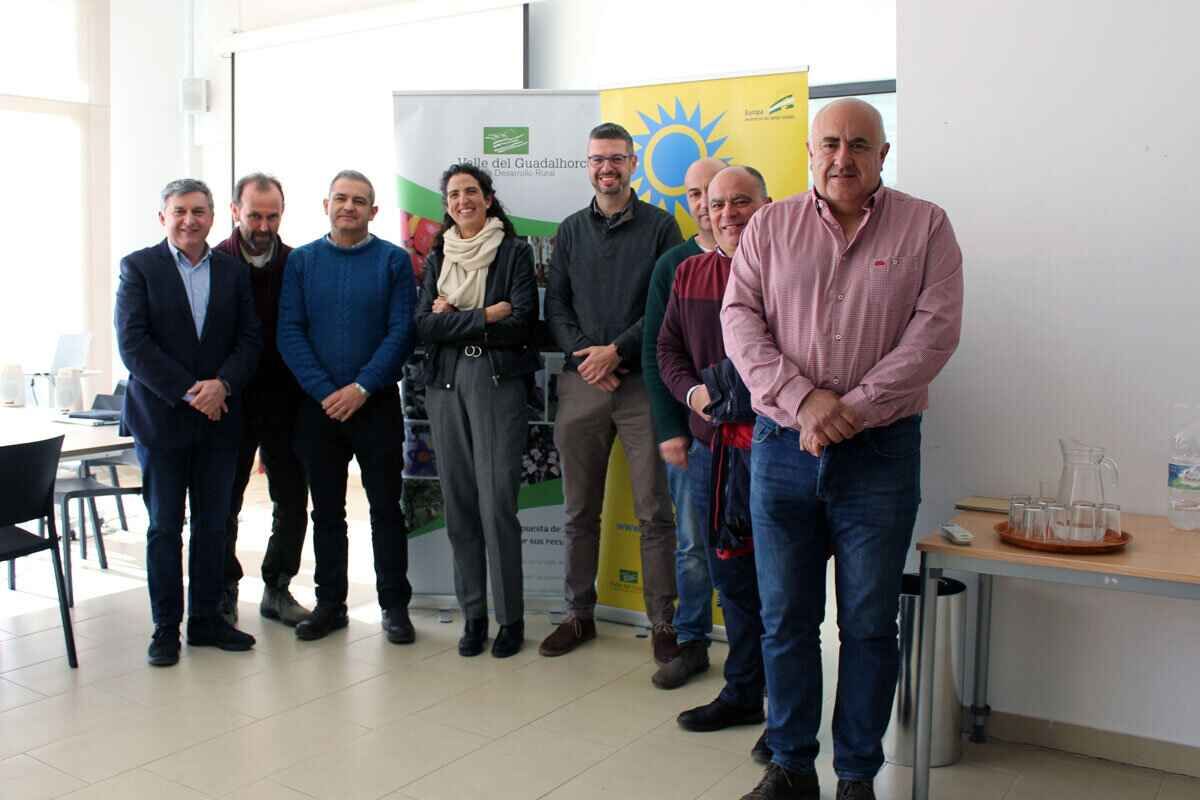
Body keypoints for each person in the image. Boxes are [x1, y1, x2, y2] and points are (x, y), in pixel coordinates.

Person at [721, 99, 964, 800]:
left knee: (866, 622)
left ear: (883, 154)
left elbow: (934, 333)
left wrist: (849, 409)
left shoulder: (927, 226)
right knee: (787, 618)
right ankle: (793, 765)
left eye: (860, 144)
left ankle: (856, 774)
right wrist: (805, 401)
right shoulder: (770, 225)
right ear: (809, 149)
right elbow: (741, 323)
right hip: (780, 448)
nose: (842, 157)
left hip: (879, 454)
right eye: (830, 143)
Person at [541, 122, 684, 662]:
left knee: (653, 510)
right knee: (579, 511)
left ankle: (663, 624)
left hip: (642, 385)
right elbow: (555, 305)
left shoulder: (660, 227)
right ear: (588, 164)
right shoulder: (570, 230)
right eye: (598, 158)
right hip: (583, 383)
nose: (608, 167)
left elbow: (663, 307)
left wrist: (616, 353)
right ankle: (579, 616)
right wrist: (587, 355)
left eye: (617, 159)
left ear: (632, 163)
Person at [115, 178, 263, 667]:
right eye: (179, 211)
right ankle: (164, 627)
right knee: (163, 527)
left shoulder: (231, 271)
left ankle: (205, 620)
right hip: (163, 420)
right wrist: (191, 391)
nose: (189, 220)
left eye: (199, 211)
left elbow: (249, 340)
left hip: (221, 418)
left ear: (213, 216)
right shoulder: (139, 267)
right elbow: (134, 345)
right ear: (163, 217)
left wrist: (221, 385)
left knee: (213, 523)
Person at [658, 166, 772, 762]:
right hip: (711, 452)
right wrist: (694, 396)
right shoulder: (690, 273)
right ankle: (743, 693)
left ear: (768, 204)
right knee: (729, 578)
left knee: (779, 586)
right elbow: (668, 347)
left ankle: (787, 714)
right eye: (717, 203)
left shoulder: (790, 271)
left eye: (742, 201)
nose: (727, 212)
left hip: (775, 453)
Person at [277, 170, 418, 644]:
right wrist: (325, 391)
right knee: (327, 512)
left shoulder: (394, 262)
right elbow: (289, 332)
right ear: (326, 205)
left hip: (375, 405)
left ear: (373, 211)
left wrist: (361, 387)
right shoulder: (302, 262)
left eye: (359, 201)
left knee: (385, 511)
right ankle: (331, 604)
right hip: (318, 410)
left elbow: (401, 332)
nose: (349, 207)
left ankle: (394, 606)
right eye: (341, 199)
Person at [414, 163, 540, 658]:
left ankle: (510, 619)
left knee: (496, 507)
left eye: (471, 192)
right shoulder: (439, 253)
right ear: (445, 204)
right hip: (445, 387)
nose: (462, 200)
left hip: (494, 384)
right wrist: (486, 315)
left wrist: (456, 319)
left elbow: (523, 323)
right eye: (453, 194)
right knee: (461, 507)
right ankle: (473, 616)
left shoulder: (513, 251)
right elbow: (424, 326)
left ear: (488, 198)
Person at [642, 156, 725, 689]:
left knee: (752, 550)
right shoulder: (673, 263)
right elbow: (658, 352)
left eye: (711, 192)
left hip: (754, 440)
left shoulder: (765, 256)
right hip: (692, 436)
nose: (703, 204)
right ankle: (692, 640)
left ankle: (754, 654)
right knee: (693, 547)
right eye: (693, 194)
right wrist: (671, 428)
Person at [215, 173, 310, 627]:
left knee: (292, 498)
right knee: (223, 500)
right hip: (228, 404)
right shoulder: (213, 263)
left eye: (273, 216)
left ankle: (277, 586)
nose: (264, 225)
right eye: (255, 215)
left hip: (285, 402)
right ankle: (224, 586)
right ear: (236, 211)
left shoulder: (298, 263)